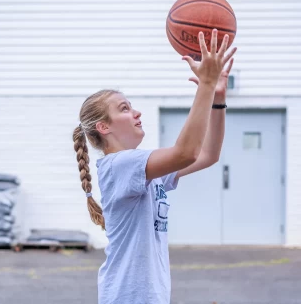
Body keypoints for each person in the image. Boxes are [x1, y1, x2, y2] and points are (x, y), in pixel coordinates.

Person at [72, 29, 237, 304]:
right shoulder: (120, 165)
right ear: (104, 127)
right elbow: (187, 152)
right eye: (124, 109)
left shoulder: (142, 170)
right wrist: (205, 86)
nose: (136, 113)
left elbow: (208, 154)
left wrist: (217, 97)